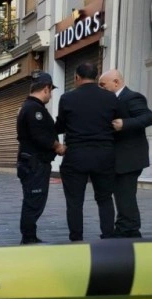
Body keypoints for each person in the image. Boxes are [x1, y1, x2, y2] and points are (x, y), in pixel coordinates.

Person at [55, 62, 120, 241]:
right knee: (105, 198)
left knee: (75, 201)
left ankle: (76, 239)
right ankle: (108, 236)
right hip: (104, 155)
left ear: (76, 77)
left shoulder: (67, 98)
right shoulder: (111, 98)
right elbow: (117, 123)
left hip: (76, 155)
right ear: (95, 76)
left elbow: (60, 126)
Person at [99, 69, 152, 238]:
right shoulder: (112, 100)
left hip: (130, 158)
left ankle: (130, 230)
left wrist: (125, 123)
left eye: (103, 85)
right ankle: (124, 227)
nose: (101, 89)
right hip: (119, 158)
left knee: (125, 195)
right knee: (121, 194)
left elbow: (148, 117)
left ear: (116, 82)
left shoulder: (132, 97)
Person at [15, 71, 65, 244]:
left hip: (32, 162)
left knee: (33, 201)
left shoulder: (29, 107)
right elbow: (39, 136)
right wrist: (58, 146)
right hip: (34, 164)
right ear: (46, 88)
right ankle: (28, 239)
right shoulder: (34, 109)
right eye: (50, 91)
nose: (50, 96)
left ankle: (30, 236)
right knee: (34, 202)